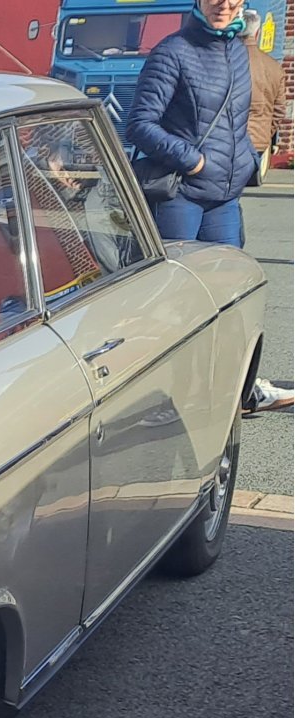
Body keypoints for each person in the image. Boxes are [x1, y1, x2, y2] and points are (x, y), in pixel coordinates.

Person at [131, 1, 288, 413]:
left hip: (225, 197)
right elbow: (140, 123)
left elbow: (241, 120)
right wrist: (193, 160)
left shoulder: (236, 51)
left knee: (234, 298)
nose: (223, 5)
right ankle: (162, 398)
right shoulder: (173, 51)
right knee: (175, 303)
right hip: (181, 195)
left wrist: (245, 163)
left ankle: (241, 388)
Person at [241, 8, 286, 183]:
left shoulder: (223, 60)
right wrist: (266, 133)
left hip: (223, 142)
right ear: (257, 33)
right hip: (258, 140)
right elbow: (279, 111)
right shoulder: (274, 67)